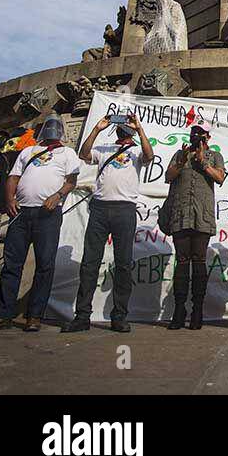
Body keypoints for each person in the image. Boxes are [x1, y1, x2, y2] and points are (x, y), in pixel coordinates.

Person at [61, 112, 153, 334]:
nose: (124, 128)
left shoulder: (137, 150)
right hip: (100, 209)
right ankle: (82, 315)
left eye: (127, 124)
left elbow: (149, 156)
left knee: (123, 264)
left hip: (125, 210)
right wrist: (97, 128)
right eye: (121, 124)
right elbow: (83, 154)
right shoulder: (103, 148)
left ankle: (119, 316)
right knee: (90, 262)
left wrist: (139, 128)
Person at [0, 115, 79, 332]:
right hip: (21, 213)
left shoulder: (67, 153)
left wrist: (57, 195)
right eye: (48, 125)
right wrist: (10, 199)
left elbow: (71, 181)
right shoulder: (28, 151)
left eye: (55, 126)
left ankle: (34, 316)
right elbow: (13, 177)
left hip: (48, 214)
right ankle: (4, 313)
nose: (51, 129)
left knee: (45, 265)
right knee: (12, 264)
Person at [164, 121, 226, 330]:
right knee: (182, 260)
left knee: (199, 260)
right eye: (193, 132)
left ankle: (197, 309)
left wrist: (203, 163)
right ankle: (179, 310)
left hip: (202, 215)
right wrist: (181, 162)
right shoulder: (180, 154)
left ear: (208, 137)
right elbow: (168, 176)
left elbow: (220, 178)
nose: (196, 136)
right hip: (181, 214)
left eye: (200, 133)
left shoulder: (215, 156)